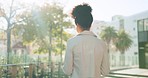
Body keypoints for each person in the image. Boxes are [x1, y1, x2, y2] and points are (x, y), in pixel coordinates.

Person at [63, 3, 110, 78]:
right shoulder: (102, 44)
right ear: (90, 24)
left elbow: (67, 71)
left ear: (77, 24)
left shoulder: (71, 42)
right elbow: (105, 71)